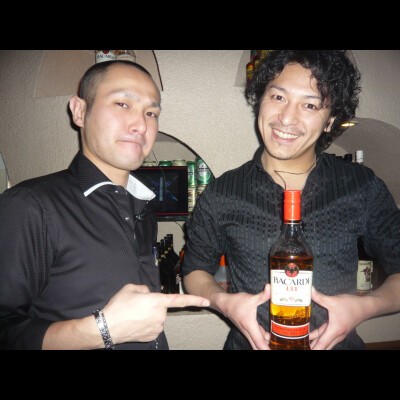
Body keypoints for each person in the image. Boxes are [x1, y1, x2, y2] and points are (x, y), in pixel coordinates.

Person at [181, 50, 400, 350]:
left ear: (330, 121)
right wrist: (224, 302)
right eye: (278, 97)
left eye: (309, 105)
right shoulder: (224, 191)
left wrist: (365, 307)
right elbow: (194, 270)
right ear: (261, 100)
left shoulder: (360, 186)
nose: (286, 118)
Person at [0, 60, 209, 350]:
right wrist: (102, 330)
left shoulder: (143, 210)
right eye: (122, 104)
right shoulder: (30, 206)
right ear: (79, 111)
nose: (141, 125)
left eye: (151, 113)